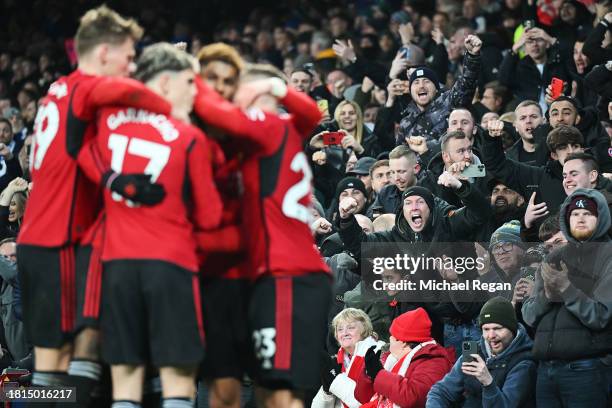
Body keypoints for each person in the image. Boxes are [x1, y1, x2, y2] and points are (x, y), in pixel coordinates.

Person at [16, 4, 171, 395]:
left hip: (37, 236)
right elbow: (146, 95)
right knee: (83, 348)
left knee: (49, 368)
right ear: (105, 53)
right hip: (61, 239)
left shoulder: (59, 90)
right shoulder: (90, 86)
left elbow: (80, 149)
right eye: (129, 56)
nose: (131, 64)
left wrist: (111, 178)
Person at [82, 42, 222, 406]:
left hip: (116, 267)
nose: (194, 90)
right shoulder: (190, 136)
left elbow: (81, 152)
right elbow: (210, 216)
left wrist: (112, 182)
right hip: (171, 265)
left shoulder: (107, 123)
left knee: (126, 379)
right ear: (163, 83)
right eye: (189, 82)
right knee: (177, 377)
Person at [193, 64, 331, 408]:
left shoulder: (266, 125)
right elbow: (311, 112)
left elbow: (209, 110)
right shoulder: (283, 129)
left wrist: (191, 74)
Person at [521, 189, 612, 407]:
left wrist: (567, 289)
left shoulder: (608, 256)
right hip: (546, 368)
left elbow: (601, 316)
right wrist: (547, 297)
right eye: (574, 214)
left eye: (587, 214)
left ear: (601, 218)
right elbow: (529, 316)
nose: (580, 218)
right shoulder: (552, 258)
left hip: (587, 369)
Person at [426, 297, 537, 407]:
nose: (491, 336)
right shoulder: (473, 351)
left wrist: (488, 382)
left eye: (498, 328)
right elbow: (441, 392)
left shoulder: (524, 362)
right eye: (486, 329)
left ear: (512, 329)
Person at [354, 308, 454, 407]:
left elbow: (415, 397)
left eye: (392, 335)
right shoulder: (389, 358)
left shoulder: (434, 361)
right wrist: (369, 374)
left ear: (403, 342)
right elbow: (362, 398)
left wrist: (379, 374)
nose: (389, 339)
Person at [313, 308, 384, 408]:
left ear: (364, 330)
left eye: (351, 328)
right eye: (340, 329)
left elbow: (368, 401)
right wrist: (326, 392)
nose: (345, 333)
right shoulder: (338, 360)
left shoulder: (378, 353)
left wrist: (336, 379)